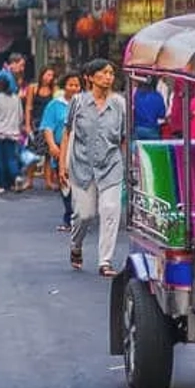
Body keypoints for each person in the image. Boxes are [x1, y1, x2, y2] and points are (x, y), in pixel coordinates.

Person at [61, 58, 126, 276]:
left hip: (111, 165)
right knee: (85, 214)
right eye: (103, 73)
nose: (109, 77)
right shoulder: (78, 102)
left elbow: (124, 137)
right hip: (82, 166)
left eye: (111, 73)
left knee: (110, 210)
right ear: (90, 77)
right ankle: (76, 245)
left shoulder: (119, 104)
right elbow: (68, 133)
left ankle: (105, 261)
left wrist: (130, 165)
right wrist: (62, 164)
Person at [40, 72, 82, 232]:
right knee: (65, 183)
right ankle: (69, 216)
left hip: (80, 149)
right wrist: (52, 146)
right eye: (71, 84)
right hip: (60, 148)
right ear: (64, 86)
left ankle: (79, 216)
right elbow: (47, 127)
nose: (74, 88)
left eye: (77, 85)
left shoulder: (84, 104)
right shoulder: (55, 105)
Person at [25, 67, 58, 190]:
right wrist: (27, 125)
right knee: (33, 153)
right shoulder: (33, 88)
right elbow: (28, 108)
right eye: (48, 74)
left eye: (52, 75)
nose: (50, 78)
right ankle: (29, 180)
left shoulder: (53, 90)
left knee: (48, 154)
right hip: (36, 123)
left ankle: (48, 181)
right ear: (42, 75)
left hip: (49, 124)